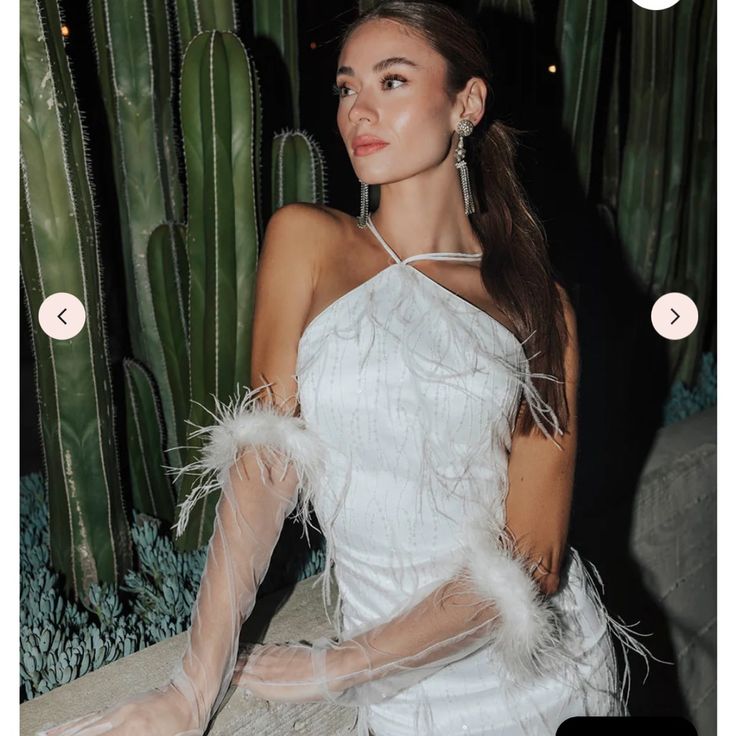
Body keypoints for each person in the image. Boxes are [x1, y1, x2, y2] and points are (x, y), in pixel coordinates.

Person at [38, 2, 657, 735]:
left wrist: (343, 664)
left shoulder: (536, 304)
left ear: (467, 102)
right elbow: (266, 463)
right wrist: (189, 691)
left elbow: (533, 561)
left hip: (544, 683)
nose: (359, 109)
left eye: (392, 81)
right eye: (345, 87)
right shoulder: (308, 242)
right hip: (403, 700)